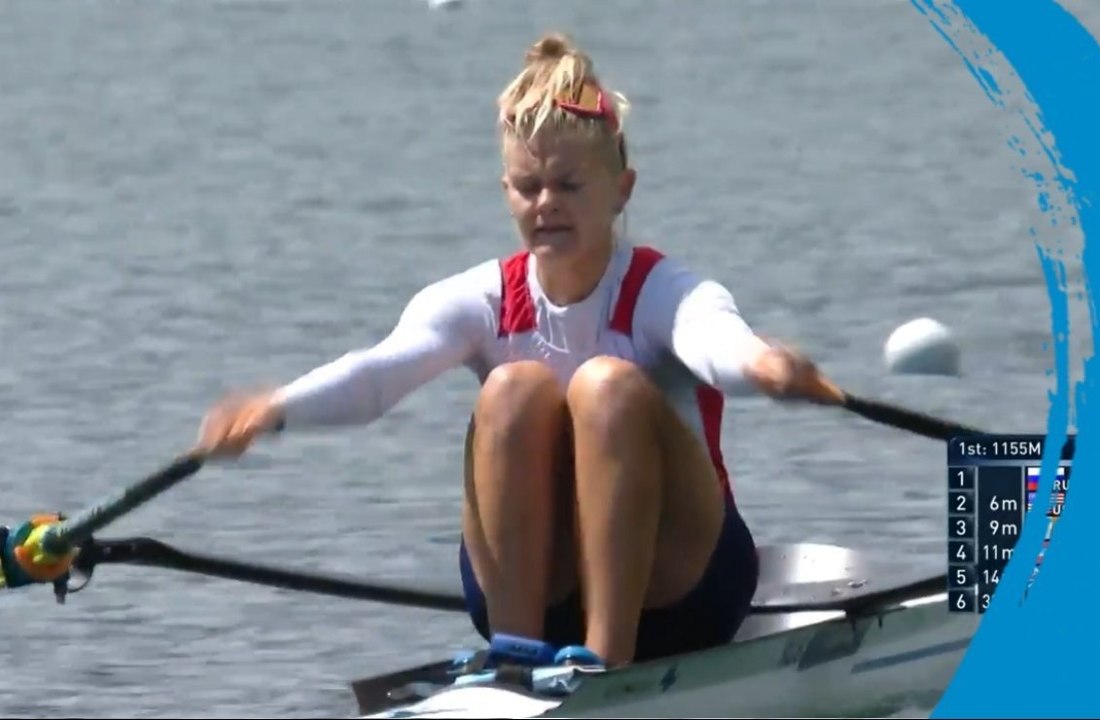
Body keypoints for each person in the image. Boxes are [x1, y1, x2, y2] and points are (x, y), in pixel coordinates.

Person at [139, 33, 844, 671]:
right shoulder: (479, 298)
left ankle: (606, 663)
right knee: (512, 389)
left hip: (684, 589)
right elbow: (379, 375)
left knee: (604, 387)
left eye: (569, 185)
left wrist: (764, 365)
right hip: (537, 591)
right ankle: (516, 656)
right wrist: (274, 410)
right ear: (506, 192)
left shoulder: (665, 291)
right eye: (529, 187)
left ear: (621, 189)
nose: (547, 203)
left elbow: (715, 343)